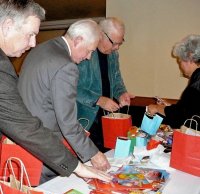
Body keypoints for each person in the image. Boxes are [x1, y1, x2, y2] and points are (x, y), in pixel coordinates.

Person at [0, 0, 111, 184]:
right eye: (30, 34)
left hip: (19, 144)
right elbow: (58, 124)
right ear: (8, 26)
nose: (34, 43)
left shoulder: (42, 50)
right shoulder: (65, 65)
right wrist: (80, 165)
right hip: (41, 151)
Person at [76, 17, 134, 152]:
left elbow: (116, 79)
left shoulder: (113, 54)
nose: (116, 47)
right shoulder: (82, 52)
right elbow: (71, 88)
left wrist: (121, 93)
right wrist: (98, 100)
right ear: (100, 34)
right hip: (84, 120)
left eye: (120, 43)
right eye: (114, 43)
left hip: (107, 118)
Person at [147, 34, 200, 129]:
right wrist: (169, 106)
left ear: (189, 57)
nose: (180, 66)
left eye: (180, 61)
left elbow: (181, 116)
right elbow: (189, 109)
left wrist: (157, 108)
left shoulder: (196, 83)